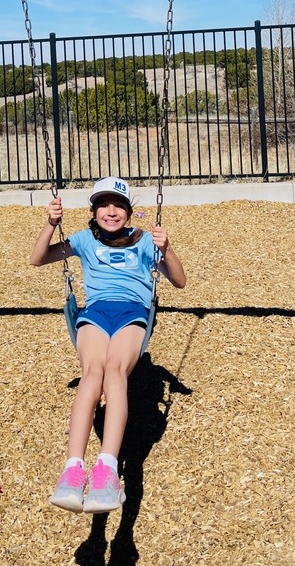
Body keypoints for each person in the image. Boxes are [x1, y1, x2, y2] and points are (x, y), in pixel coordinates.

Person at [29, 175, 186, 514]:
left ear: (129, 212)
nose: (111, 212)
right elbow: (38, 258)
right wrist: (49, 224)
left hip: (132, 314)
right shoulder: (85, 240)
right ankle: (72, 469)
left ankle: (107, 469)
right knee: (92, 374)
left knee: (115, 371)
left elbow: (180, 280)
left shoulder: (144, 241)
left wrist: (167, 248)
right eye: (103, 205)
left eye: (118, 206)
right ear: (94, 210)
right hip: (96, 313)